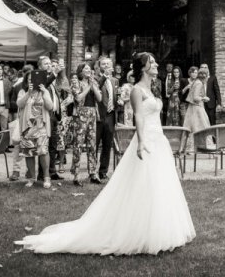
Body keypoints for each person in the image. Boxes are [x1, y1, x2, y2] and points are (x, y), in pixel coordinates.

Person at [16, 51, 196, 255]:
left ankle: (161, 230)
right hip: (146, 141)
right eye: (151, 62)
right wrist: (142, 141)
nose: (156, 65)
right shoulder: (137, 90)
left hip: (158, 140)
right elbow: (138, 115)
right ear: (143, 67)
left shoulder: (152, 87)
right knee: (145, 184)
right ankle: (140, 233)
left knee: (160, 184)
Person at [16, 66, 55, 189]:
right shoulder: (23, 92)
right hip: (27, 128)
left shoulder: (45, 91)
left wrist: (44, 93)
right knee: (29, 153)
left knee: (43, 152)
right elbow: (19, 104)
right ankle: (31, 178)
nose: (31, 82)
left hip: (41, 126)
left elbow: (50, 107)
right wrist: (28, 93)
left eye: (33, 79)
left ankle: (46, 177)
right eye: (29, 80)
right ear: (26, 81)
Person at [95, 56, 118, 183]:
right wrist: (104, 76)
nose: (106, 66)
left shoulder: (115, 81)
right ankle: (92, 171)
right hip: (99, 115)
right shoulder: (95, 78)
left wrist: (118, 102)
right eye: (103, 64)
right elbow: (97, 87)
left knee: (107, 146)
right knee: (95, 144)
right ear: (99, 66)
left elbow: (115, 95)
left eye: (108, 64)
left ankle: (103, 171)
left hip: (110, 115)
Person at [182, 66, 211, 150]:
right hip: (197, 108)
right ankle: (200, 147)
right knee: (200, 127)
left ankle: (192, 147)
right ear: (205, 76)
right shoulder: (199, 83)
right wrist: (204, 98)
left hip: (193, 108)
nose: (208, 77)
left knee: (193, 127)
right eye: (207, 75)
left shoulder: (196, 81)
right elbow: (195, 97)